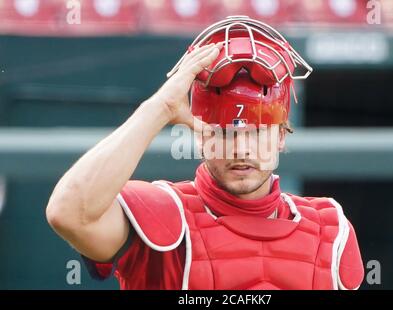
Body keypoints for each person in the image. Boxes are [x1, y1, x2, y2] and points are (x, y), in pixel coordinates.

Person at [46, 16, 364, 290]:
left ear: (281, 135)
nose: (241, 148)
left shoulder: (330, 230)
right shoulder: (162, 215)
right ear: (200, 136)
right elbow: (68, 213)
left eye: (256, 131)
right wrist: (159, 108)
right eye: (224, 131)